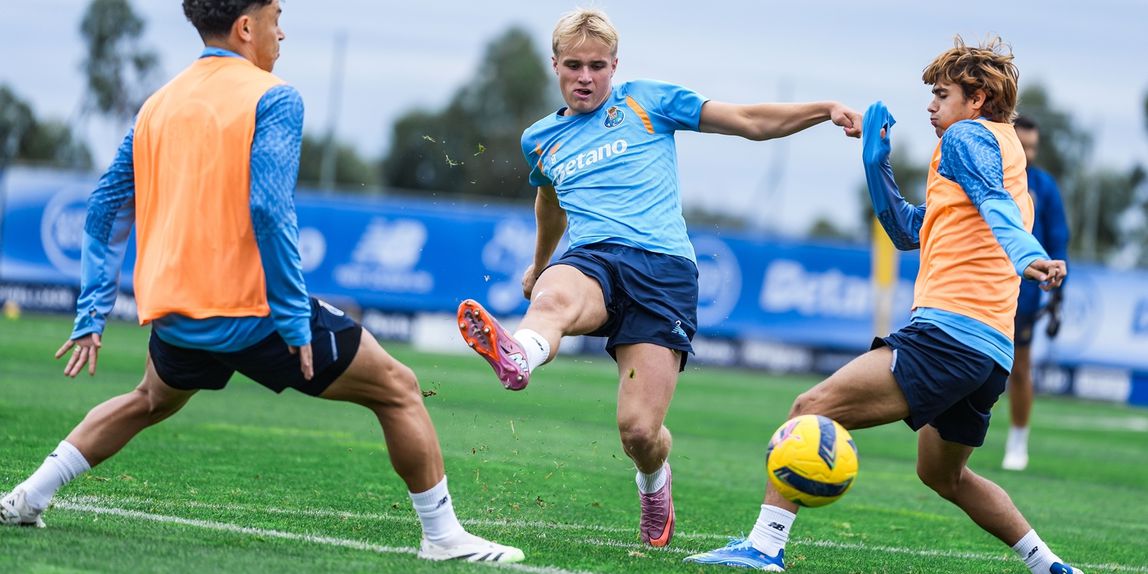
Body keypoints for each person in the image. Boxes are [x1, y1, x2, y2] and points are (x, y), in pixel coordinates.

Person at [0, 0, 523, 563]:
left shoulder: (157, 105)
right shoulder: (274, 96)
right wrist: (294, 319)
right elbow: (270, 210)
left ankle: (29, 495)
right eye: (276, 16)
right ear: (246, 27)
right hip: (256, 315)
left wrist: (92, 313)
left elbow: (103, 206)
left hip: (178, 318)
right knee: (397, 389)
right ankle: (442, 537)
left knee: (148, 398)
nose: (283, 32)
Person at [455, 7, 862, 548]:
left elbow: (748, 122)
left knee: (639, 432)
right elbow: (548, 201)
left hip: (663, 272)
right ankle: (519, 355)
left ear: (614, 65)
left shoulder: (648, 101)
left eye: (597, 66)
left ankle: (654, 482)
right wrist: (538, 262)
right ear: (554, 65)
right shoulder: (540, 139)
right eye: (573, 65)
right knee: (553, 294)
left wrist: (824, 108)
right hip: (592, 259)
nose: (585, 77)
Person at [684, 37, 1084, 573]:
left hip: (950, 334)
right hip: (990, 353)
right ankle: (1050, 565)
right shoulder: (999, 150)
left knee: (809, 409)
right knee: (943, 476)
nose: (931, 106)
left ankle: (764, 546)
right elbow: (907, 230)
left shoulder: (969, 137)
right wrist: (877, 163)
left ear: (978, 97)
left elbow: (993, 203)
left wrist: (1027, 253)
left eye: (941, 94)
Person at [1002, 115, 1070, 472]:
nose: (1027, 154)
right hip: (986, 287)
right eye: (1022, 146)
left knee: (1021, 369)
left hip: (1024, 294)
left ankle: (1017, 442)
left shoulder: (1044, 186)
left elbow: (1058, 238)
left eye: (1032, 148)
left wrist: (1059, 295)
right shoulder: (991, 175)